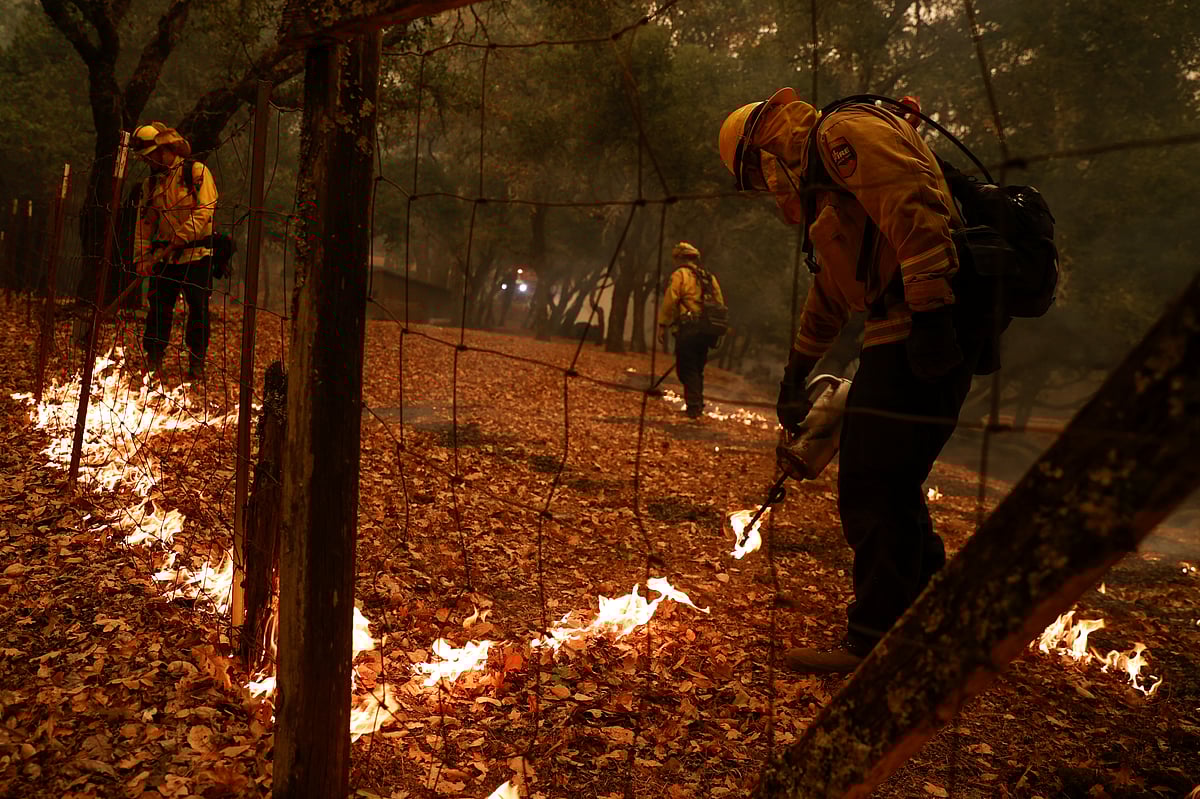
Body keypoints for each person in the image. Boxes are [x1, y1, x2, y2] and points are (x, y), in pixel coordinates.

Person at [718, 89, 993, 673]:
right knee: (893, 480)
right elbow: (835, 291)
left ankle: (875, 640)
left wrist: (934, 315)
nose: (766, 189)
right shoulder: (830, 195)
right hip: (897, 329)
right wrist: (796, 371)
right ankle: (931, 618)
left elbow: (912, 207)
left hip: (926, 322)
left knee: (872, 483)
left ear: (765, 152)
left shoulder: (842, 135)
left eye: (755, 175)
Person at [131, 122, 218, 379]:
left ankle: (196, 361)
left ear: (165, 149)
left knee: (198, 308)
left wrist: (184, 235)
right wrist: (142, 257)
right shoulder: (151, 184)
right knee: (158, 308)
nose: (149, 162)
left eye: (151, 156)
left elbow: (206, 209)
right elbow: (144, 224)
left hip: (197, 255)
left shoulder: (197, 173)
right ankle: (154, 358)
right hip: (165, 257)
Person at [657, 241, 726, 419]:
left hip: (688, 329)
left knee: (686, 369)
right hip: (706, 330)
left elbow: (671, 299)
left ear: (680, 258)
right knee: (697, 368)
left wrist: (663, 324)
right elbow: (720, 303)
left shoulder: (680, 275)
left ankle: (694, 408)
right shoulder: (709, 277)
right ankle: (697, 404)